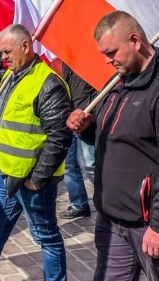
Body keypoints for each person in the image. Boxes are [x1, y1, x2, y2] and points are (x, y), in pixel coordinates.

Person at [67, 11, 159, 280]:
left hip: (151, 225)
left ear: (135, 40)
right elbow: (110, 137)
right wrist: (87, 129)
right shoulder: (116, 82)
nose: (107, 61)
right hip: (112, 219)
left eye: (112, 52)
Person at [0, 24, 72, 281]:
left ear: (26, 46)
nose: (3, 58)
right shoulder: (7, 78)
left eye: (7, 52)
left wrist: (36, 180)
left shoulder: (48, 83)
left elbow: (59, 138)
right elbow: (9, 120)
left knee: (46, 238)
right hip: (3, 176)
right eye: (1, 53)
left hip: (31, 182)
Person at [60, 63, 95, 220]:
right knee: (69, 164)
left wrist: (88, 113)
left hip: (87, 119)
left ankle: (110, 204)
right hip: (69, 115)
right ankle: (78, 203)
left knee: (89, 164)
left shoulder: (94, 58)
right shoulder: (68, 58)